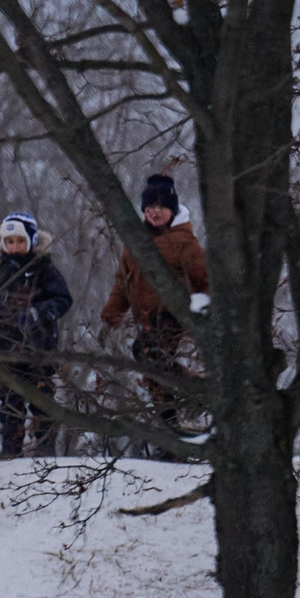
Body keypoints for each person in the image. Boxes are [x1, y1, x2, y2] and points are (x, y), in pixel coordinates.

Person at [99, 175, 210, 440]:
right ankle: (171, 425)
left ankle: (193, 392)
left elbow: (206, 279)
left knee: (151, 354)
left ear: (172, 210)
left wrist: (203, 308)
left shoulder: (184, 243)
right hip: (146, 318)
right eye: (149, 209)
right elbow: (122, 284)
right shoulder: (135, 243)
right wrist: (110, 318)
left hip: (173, 314)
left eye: (161, 208)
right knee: (152, 368)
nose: (155, 213)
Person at [0, 212, 73, 458]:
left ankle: (45, 449)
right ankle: (11, 450)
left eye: (20, 241)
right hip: (6, 347)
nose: (15, 246)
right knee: (10, 399)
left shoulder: (44, 269)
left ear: (31, 241)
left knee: (41, 397)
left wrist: (39, 312)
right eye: (9, 242)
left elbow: (63, 299)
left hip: (39, 346)